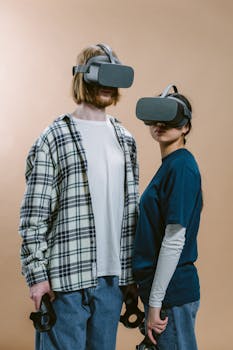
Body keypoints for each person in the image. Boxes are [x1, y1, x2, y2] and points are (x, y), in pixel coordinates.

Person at [19, 43, 139, 350]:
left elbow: (129, 213)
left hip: (111, 281)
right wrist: (36, 276)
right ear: (83, 78)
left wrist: (130, 276)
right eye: (101, 76)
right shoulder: (54, 137)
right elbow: (34, 216)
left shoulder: (125, 140)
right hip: (65, 279)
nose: (107, 87)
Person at [133, 85, 202, 350]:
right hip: (162, 291)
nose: (160, 124)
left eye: (170, 118)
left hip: (172, 293)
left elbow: (174, 238)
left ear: (185, 127)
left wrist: (155, 303)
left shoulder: (182, 166)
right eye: (156, 117)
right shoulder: (171, 165)